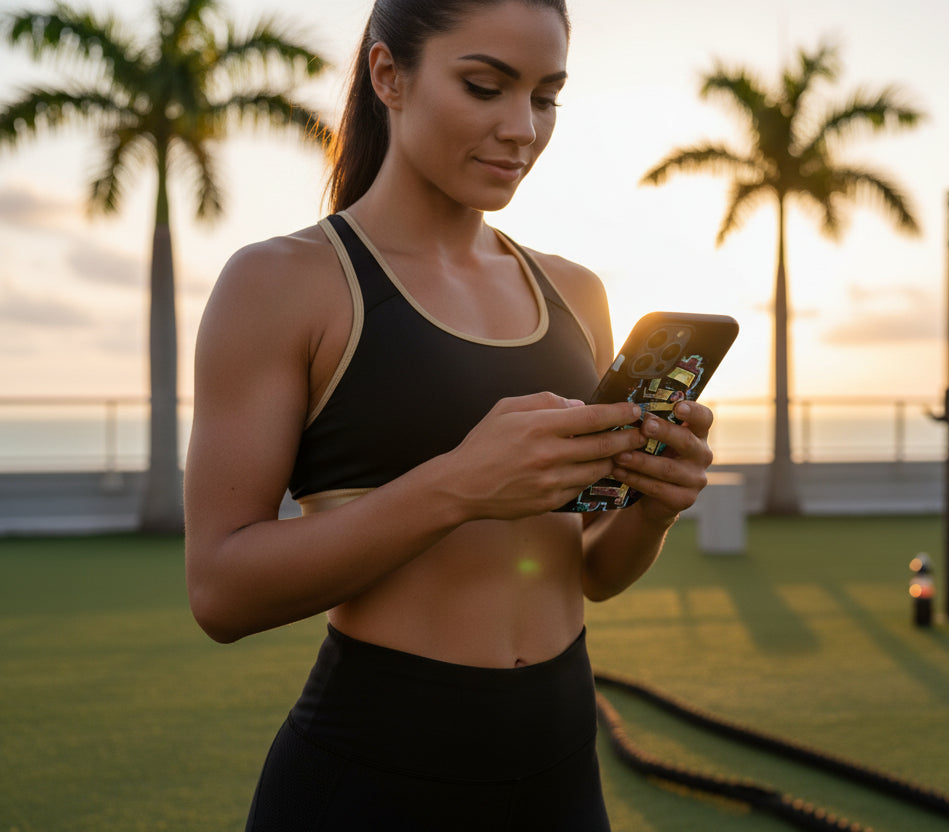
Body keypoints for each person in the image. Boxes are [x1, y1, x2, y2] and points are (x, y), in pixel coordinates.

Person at [182, 0, 716, 829]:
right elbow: (221, 591)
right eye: (484, 86)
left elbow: (590, 573)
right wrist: (460, 486)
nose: (522, 129)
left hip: (561, 766)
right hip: (374, 774)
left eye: (545, 98)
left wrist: (655, 506)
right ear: (388, 74)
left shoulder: (575, 294)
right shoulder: (285, 283)